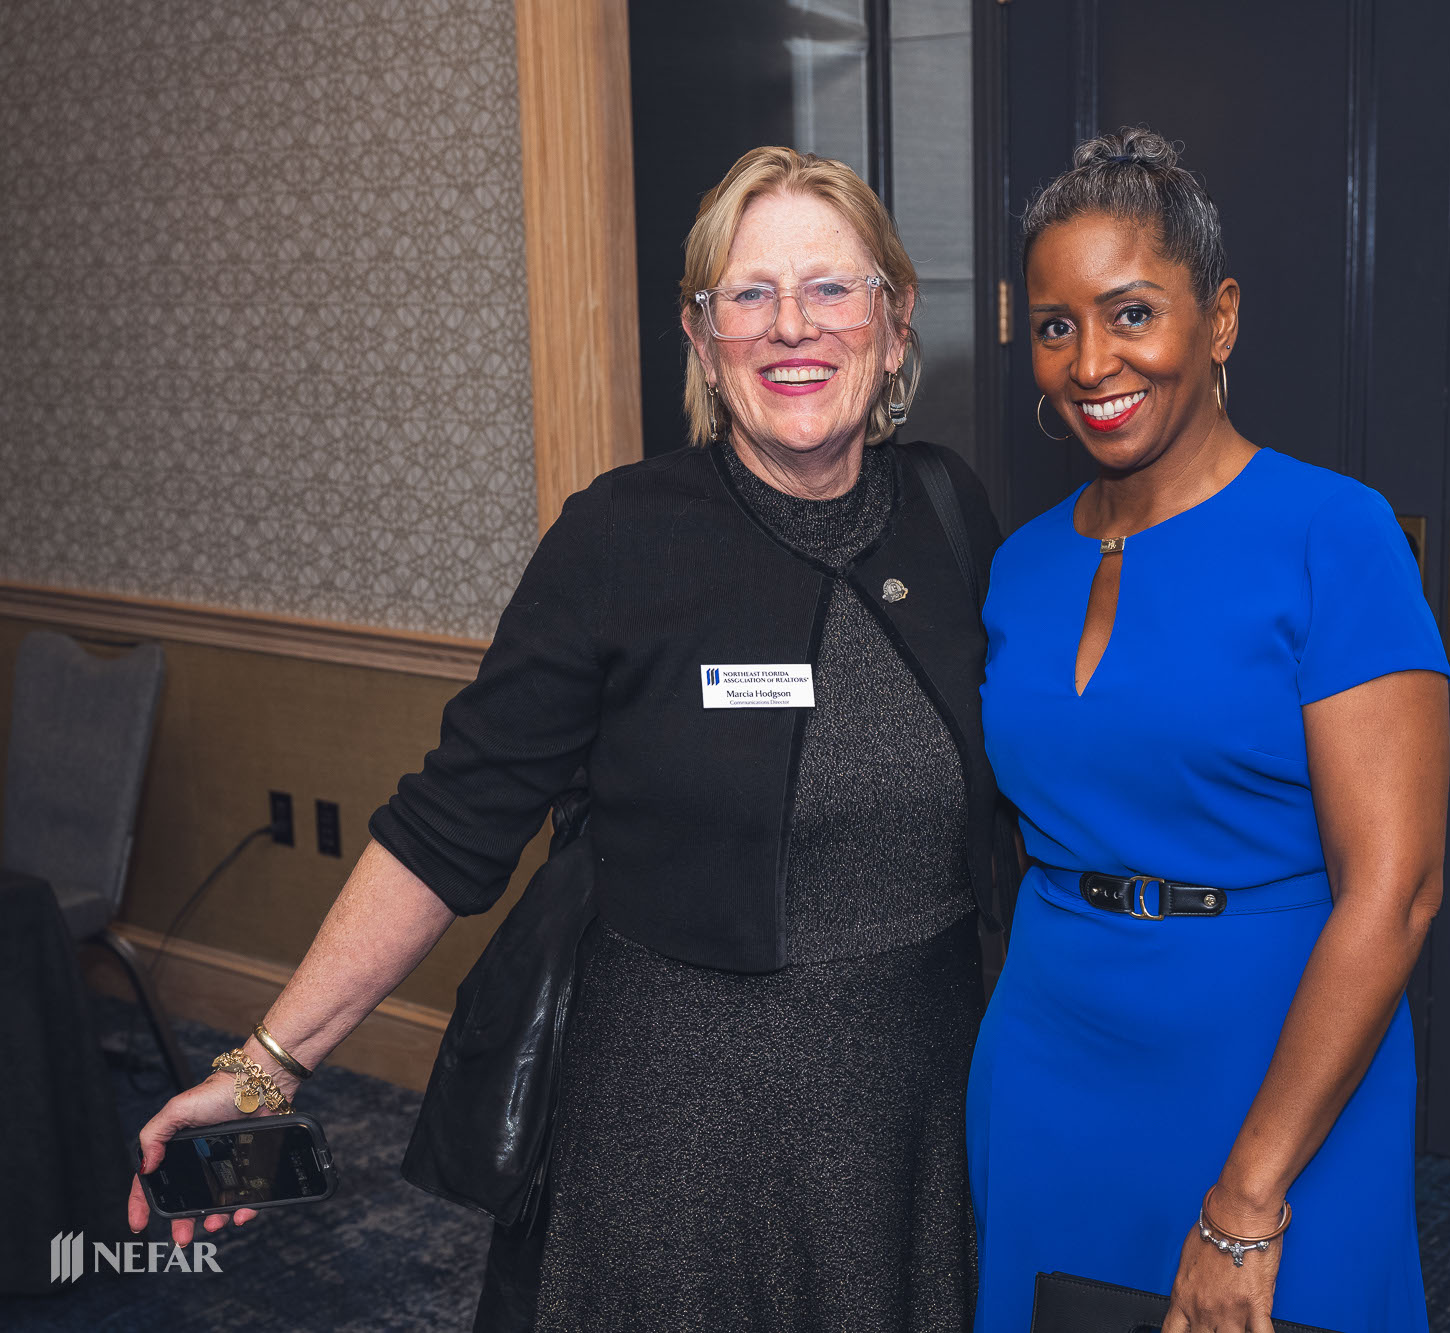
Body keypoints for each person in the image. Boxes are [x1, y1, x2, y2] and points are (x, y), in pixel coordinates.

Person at [128, 145, 1007, 1333]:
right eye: (748, 294)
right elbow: (449, 824)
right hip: (680, 1143)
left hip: (917, 1119)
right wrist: (267, 1063)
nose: (790, 326)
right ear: (701, 339)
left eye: (829, 288)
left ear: (893, 326)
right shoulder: (617, 541)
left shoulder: (951, 516)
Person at [968, 128, 1450, 1333]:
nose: (1091, 362)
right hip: (1049, 1055)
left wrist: (1245, 1199)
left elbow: (1395, 891)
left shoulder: (1332, 533)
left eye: (1130, 313)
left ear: (1219, 318)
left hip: (1275, 1069)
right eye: (1056, 325)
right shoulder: (1018, 566)